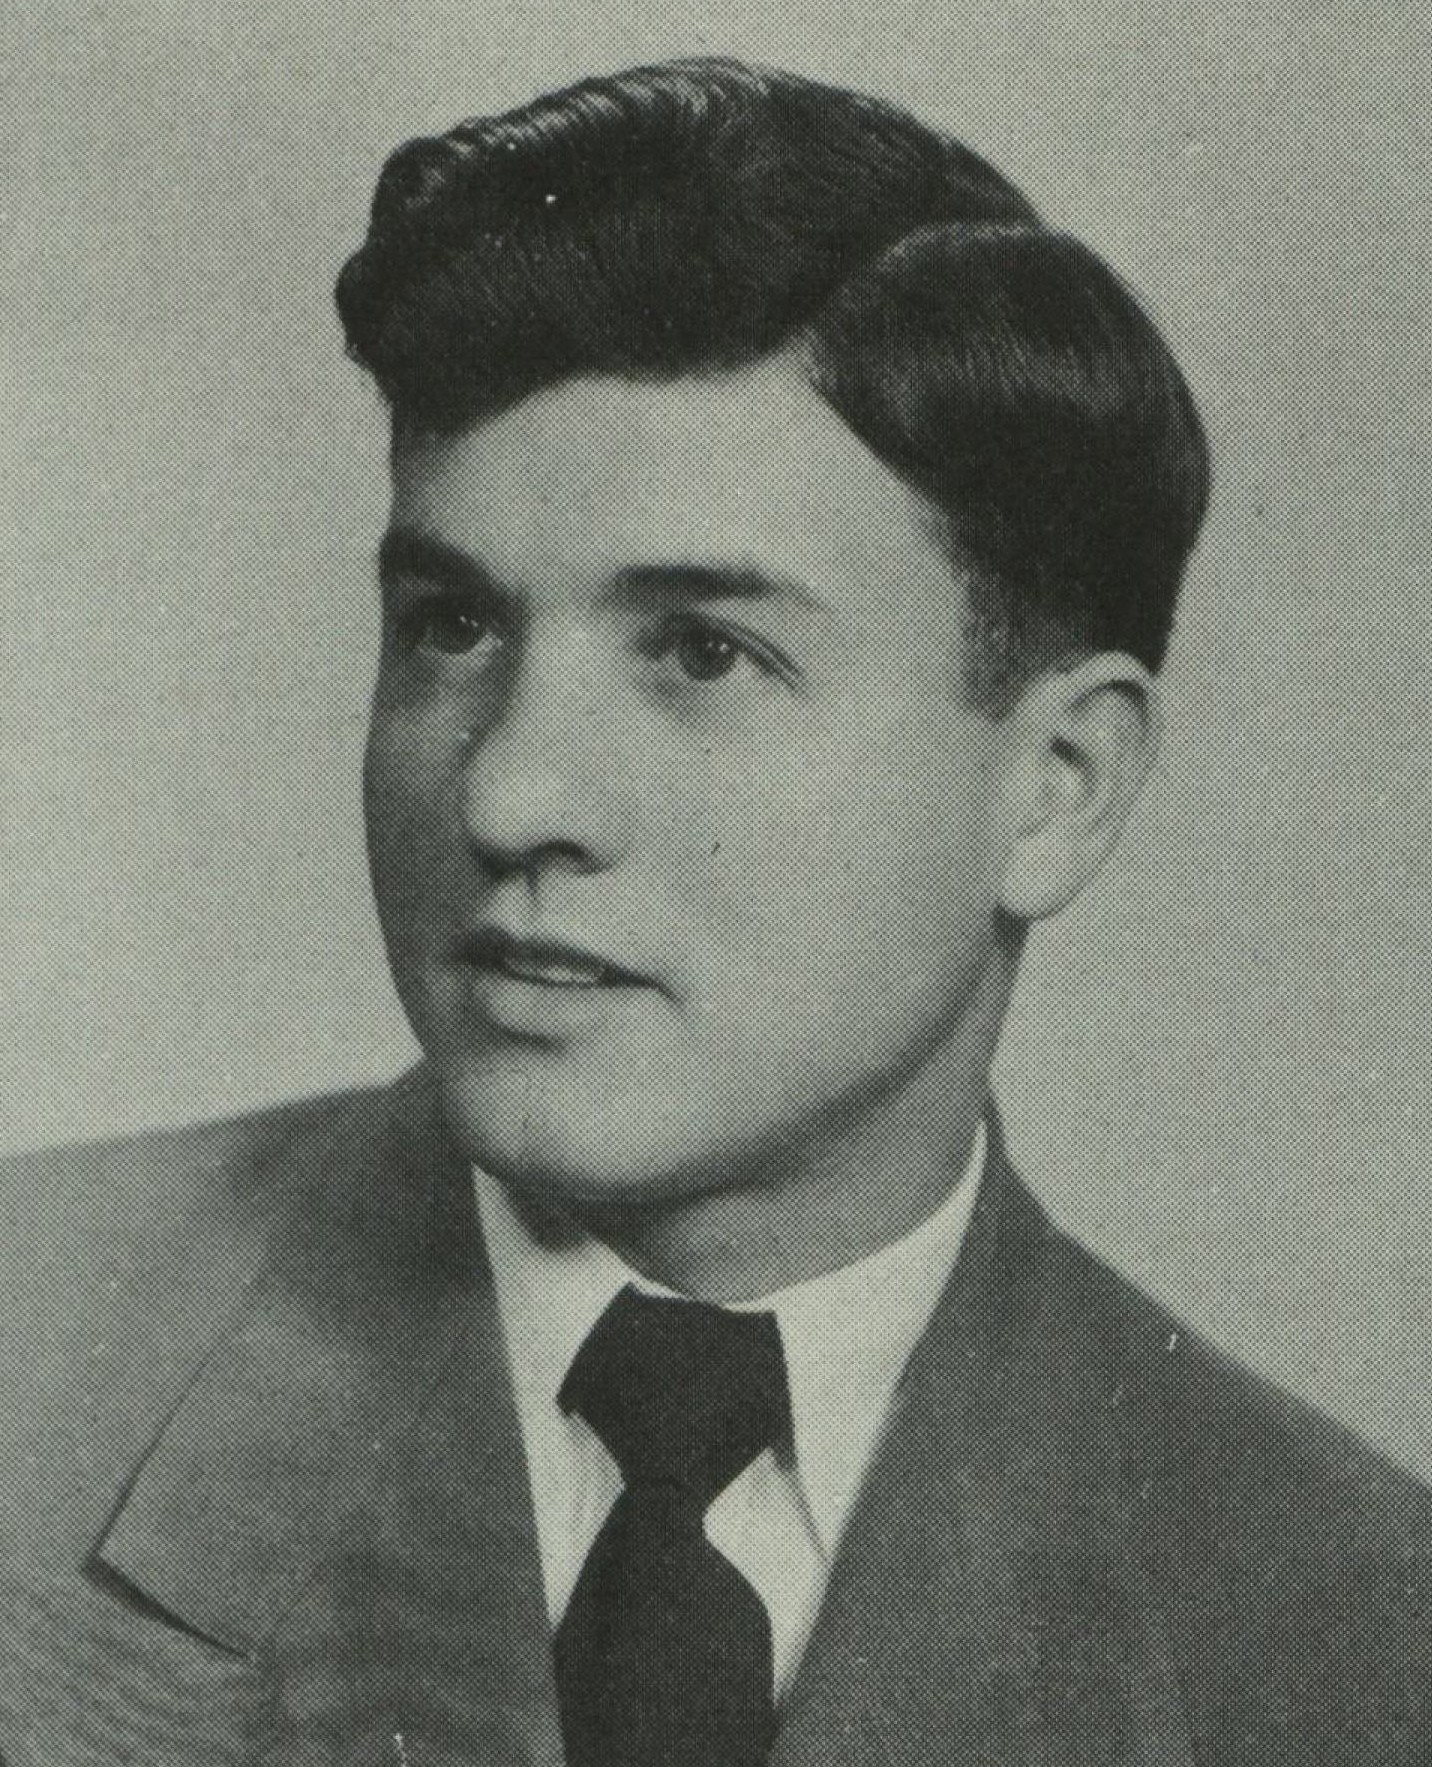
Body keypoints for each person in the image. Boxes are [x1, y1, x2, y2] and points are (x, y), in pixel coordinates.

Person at [0, 56, 1427, 1767]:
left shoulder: (1356, 1630)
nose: (509, 793)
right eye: (453, 625)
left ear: (1057, 785)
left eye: (703, 654)